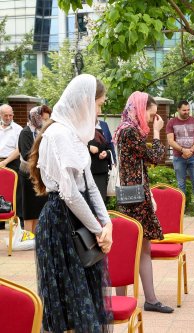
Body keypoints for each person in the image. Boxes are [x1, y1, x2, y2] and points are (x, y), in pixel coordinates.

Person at [28, 74, 113, 332]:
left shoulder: (74, 135)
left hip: (78, 220)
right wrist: (99, 230)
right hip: (61, 225)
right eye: (98, 104)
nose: (99, 111)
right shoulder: (59, 135)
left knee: (84, 306)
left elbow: (88, 184)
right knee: (69, 311)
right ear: (85, 103)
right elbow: (71, 194)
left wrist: (107, 222)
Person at [114, 91, 173, 313]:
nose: (152, 119)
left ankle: (137, 298)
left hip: (129, 195)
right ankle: (150, 299)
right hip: (135, 197)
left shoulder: (123, 129)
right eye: (151, 114)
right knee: (141, 247)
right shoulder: (130, 132)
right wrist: (157, 134)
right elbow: (156, 157)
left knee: (130, 247)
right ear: (141, 108)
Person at [166, 100, 194, 218]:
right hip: (179, 158)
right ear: (178, 109)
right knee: (181, 184)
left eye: (188, 110)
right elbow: (170, 141)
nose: (186, 112)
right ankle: (181, 210)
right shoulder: (171, 123)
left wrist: (191, 151)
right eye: (184, 110)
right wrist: (183, 150)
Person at [18, 105, 51, 234]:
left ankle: (36, 239)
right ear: (35, 117)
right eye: (44, 119)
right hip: (28, 175)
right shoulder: (25, 132)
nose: (46, 122)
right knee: (29, 210)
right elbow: (26, 153)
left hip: (40, 174)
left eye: (48, 119)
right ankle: (27, 237)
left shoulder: (42, 132)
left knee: (38, 209)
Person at [0, 104, 23, 230]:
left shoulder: (18, 129)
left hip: (12, 161)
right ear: (0, 115)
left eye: (10, 115)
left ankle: (16, 220)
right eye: (5, 115)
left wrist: (5, 162)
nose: (8, 117)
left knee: (15, 192)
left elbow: (19, 149)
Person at [88, 111, 114, 202]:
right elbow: (74, 146)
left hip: (102, 172)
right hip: (88, 172)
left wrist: (107, 153)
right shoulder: (80, 132)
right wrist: (88, 147)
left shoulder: (101, 128)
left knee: (101, 201)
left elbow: (109, 145)